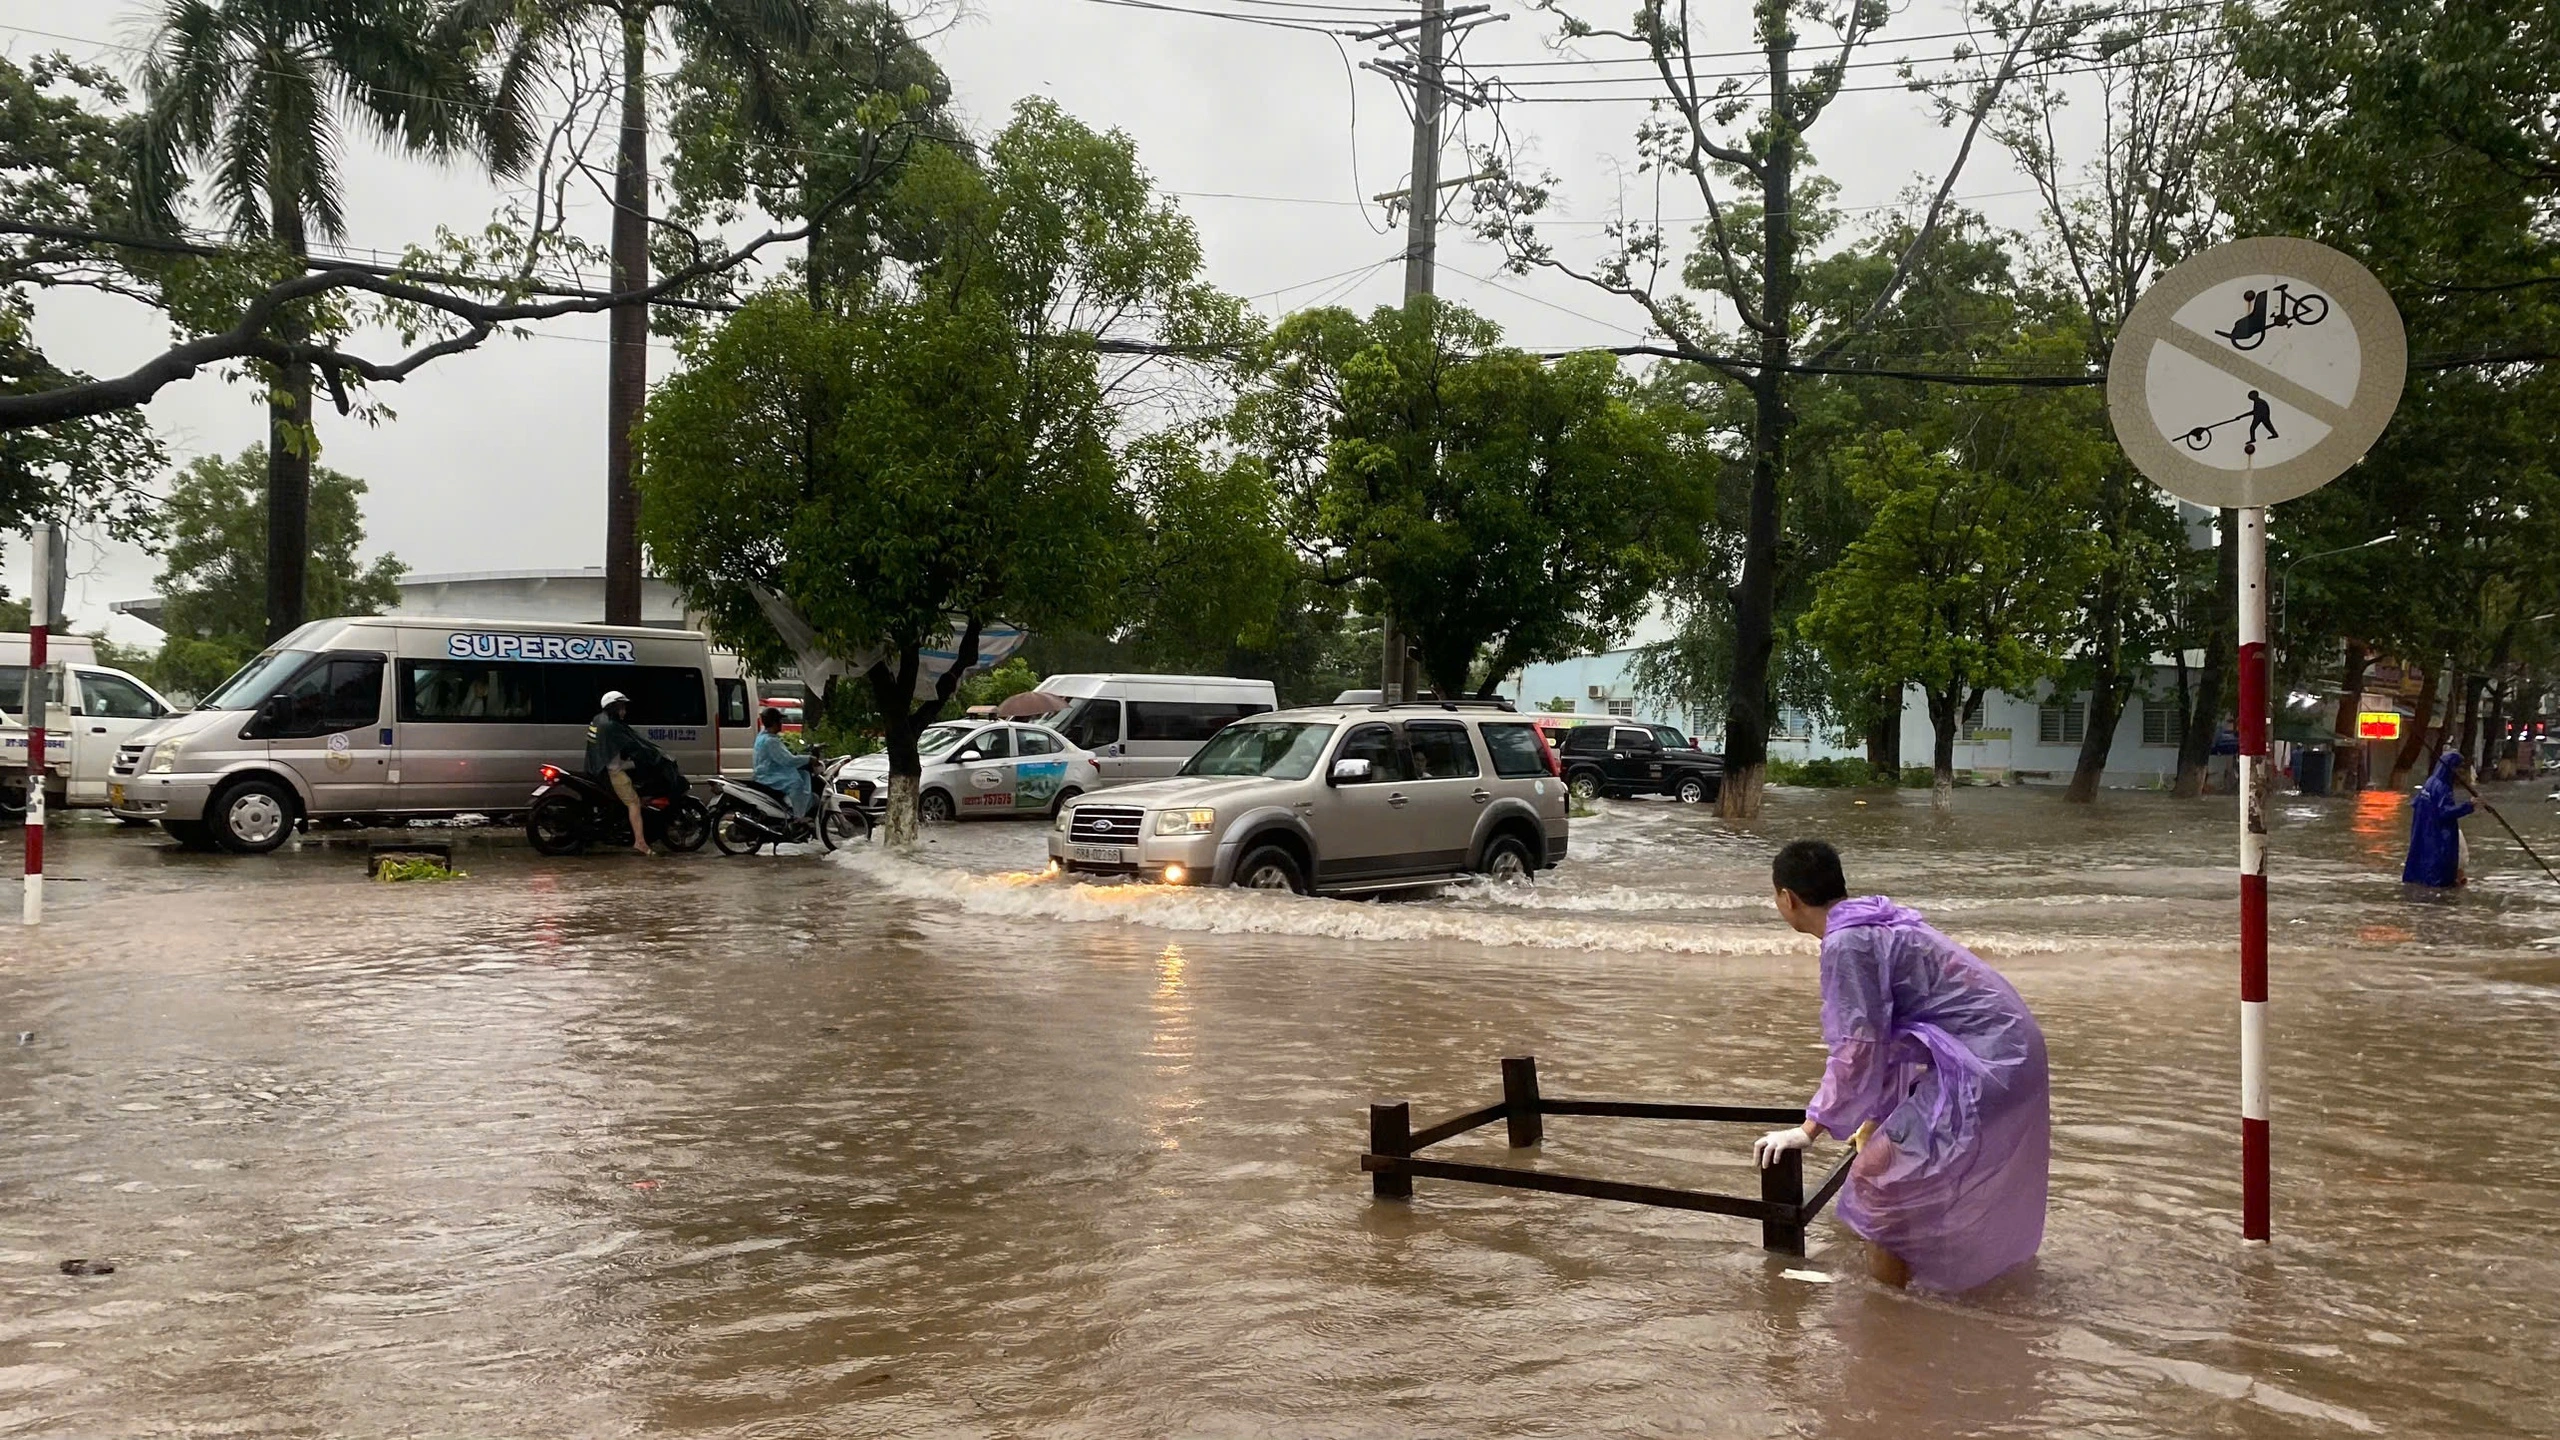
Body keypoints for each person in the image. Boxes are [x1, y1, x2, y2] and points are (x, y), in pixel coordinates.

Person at [1753, 839, 2050, 1291]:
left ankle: (1890, 1306)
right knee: (1895, 1160)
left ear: (1786, 898)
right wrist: (1874, 1116)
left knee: (1877, 1179)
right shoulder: (1870, 921)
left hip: (1989, 1061)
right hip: (2010, 1049)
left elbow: (1860, 1046)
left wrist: (1810, 1128)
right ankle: (1915, 1280)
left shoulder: (1847, 942)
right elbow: (1891, 1039)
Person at [586, 690, 665, 856]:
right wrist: (651, 754)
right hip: (612, 772)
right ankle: (640, 842)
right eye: (621, 708)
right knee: (634, 803)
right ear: (613, 708)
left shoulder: (598, 719)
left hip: (597, 768)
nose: (624, 711)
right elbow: (634, 744)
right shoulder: (612, 726)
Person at [2402, 751, 2473, 887]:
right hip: (2438, 836)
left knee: (2422, 866)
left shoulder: (2429, 783)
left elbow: (2416, 804)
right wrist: (2469, 806)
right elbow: (2445, 813)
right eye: (2458, 768)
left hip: (2423, 833)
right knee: (2439, 872)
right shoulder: (2443, 788)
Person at [751, 706, 814, 819]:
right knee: (797, 784)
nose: (781, 723)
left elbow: (782, 755)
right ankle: (798, 817)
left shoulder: (762, 736)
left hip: (764, 773)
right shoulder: (771, 741)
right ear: (775, 722)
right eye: (780, 721)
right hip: (770, 775)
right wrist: (809, 759)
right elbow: (788, 760)